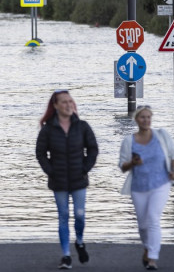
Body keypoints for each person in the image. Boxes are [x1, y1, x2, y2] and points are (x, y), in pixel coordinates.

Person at [36, 90, 99, 269]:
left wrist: (85, 168)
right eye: (63, 102)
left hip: (79, 179)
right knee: (63, 216)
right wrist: (51, 171)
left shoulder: (83, 126)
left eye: (70, 101)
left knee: (80, 215)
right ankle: (66, 256)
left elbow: (93, 149)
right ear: (55, 106)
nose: (68, 105)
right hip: (59, 181)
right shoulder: (48, 129)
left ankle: (79, 241)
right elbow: (40, 153)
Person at [118, 105, 174, 270]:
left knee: (153, 218)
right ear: (136, 120)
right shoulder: (129, 141)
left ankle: (152, 258)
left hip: (161, 183)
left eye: (148, 117)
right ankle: (147, 247)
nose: (146, 120)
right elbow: (122, 166)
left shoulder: (161, 135)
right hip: (138, 187)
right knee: (142, 224)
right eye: (142, 117)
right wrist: (133, 162)